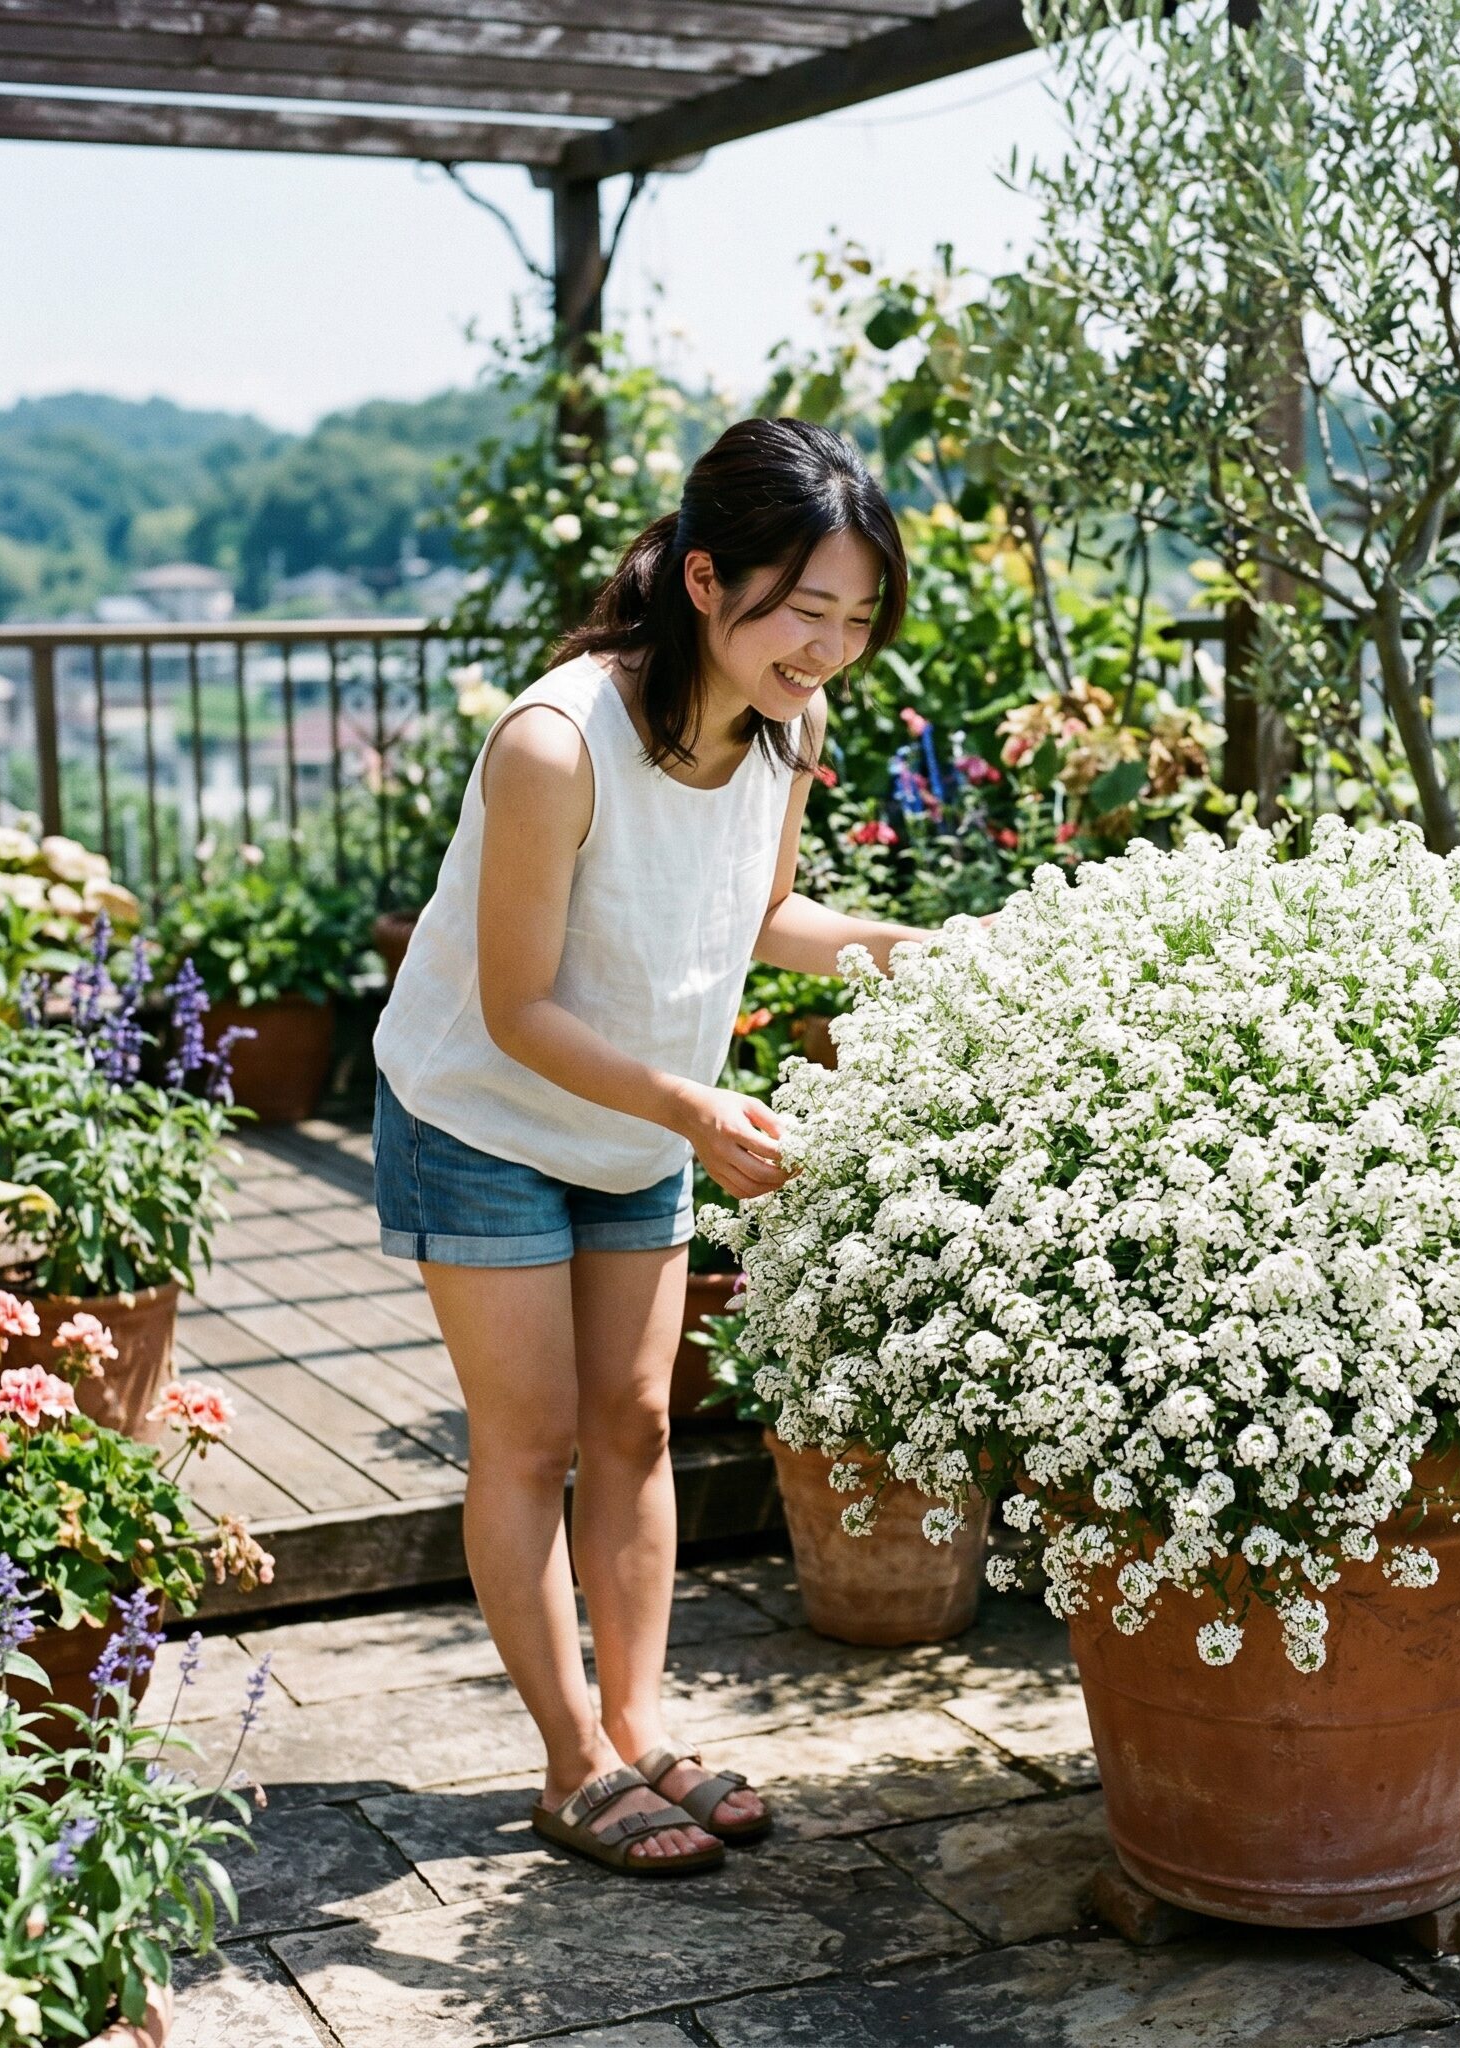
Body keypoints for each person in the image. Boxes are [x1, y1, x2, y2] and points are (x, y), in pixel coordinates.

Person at [372, 418, 929, 1875]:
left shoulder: (789, 727)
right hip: (481, 1114)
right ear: (703, 580)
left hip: (637, 1119)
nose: (831, 645)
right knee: (536, 1437)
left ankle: (640, 1728)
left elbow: (760, 921)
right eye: (804, 607)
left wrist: (914, 946)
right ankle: (571, 1766)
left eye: (858, 616)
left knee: (637, 1426)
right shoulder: (557, 744)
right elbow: (514, 1006)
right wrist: (691, 1107)